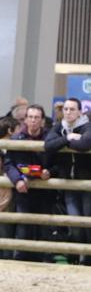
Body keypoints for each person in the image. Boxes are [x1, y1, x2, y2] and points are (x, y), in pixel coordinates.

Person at [3, 104, 56, 262]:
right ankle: (20, 259)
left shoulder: (51, 139)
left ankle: (45, 259)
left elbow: (59, 164)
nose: (33, 120)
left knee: (44, 225)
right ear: (25, 119)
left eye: (36, 117)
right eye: (30, 117)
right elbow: (8, 164)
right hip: (23, 190)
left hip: (45, 191)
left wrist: (50, 172)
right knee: (23, 226)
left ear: (42, 121)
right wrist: (17, 179)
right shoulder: (15, 139)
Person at [44, 98, 91, 265]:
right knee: (74, 221)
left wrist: (65, 141)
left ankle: (88, 257)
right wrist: (69, 138)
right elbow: (48, 145)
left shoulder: (87, 125)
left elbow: (86, 143)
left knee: (87, 219)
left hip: (87, 182)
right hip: (68, 182)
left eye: (72, 109)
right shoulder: (60, 127)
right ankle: (77, 255)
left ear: (79, 111)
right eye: (66, 109)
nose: (68, 112)